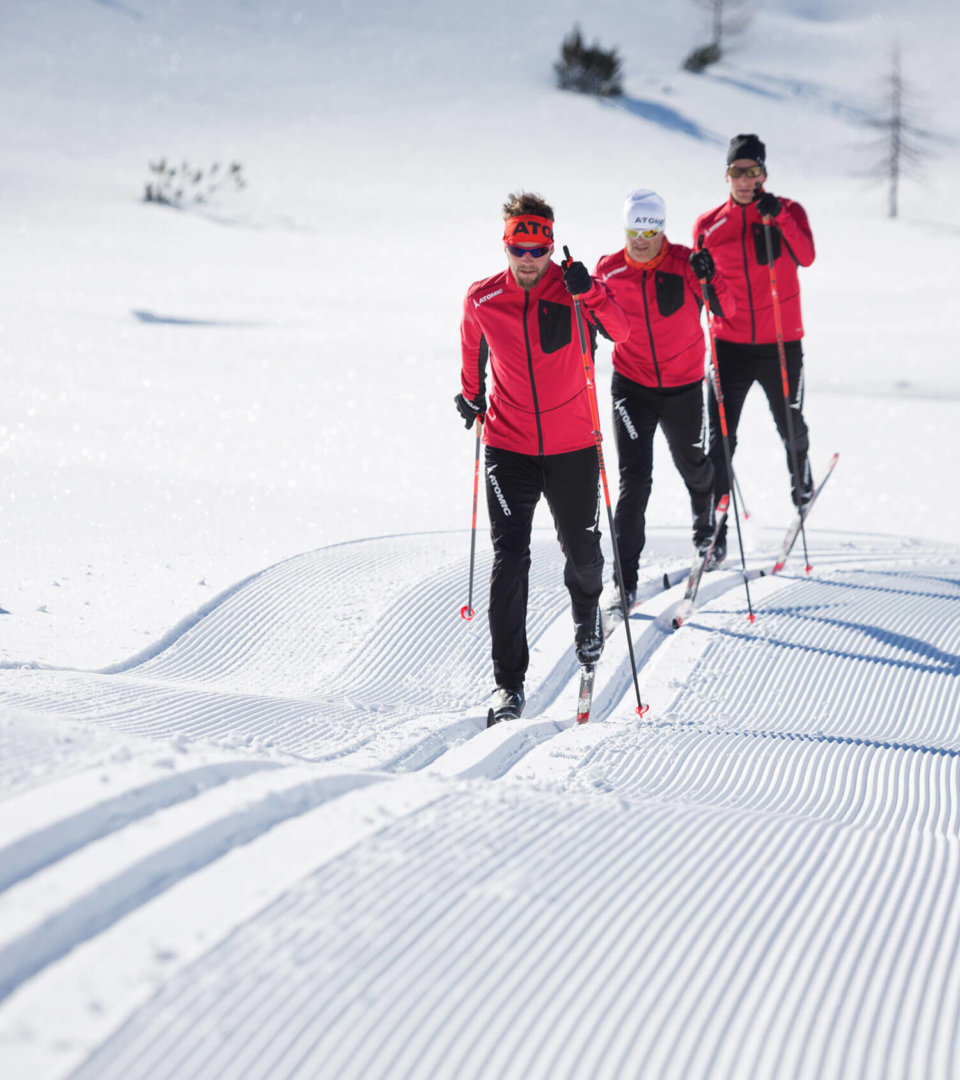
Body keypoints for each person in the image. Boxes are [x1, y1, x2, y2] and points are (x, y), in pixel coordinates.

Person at [455, 191, 629, 724]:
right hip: (508, 448)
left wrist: (595, 292)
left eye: (538, 247)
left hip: (574, 445)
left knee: (583, 551)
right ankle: (508, 684)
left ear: (551, 244)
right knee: (510, 560)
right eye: (519, 247)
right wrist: (470, 395)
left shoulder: (575, 291)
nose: (529, 258)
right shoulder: (482, 299)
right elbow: (471, 354)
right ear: (506, 244)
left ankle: (586, 614)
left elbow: (623, 333)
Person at [594, 188, 734, 609]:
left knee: (693, 464)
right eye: (635, 228)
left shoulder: (686, 263)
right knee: (634, 482)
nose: (641, 238)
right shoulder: (609, 269)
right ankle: (625, 580)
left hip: (685, 386)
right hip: (631, 387)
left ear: (662, 229)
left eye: (650, 229)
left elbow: (723, 307)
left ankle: (705, 523)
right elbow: (593, 315)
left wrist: (713, 277)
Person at [693, 133, 816, 565]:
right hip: (729, 345)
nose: (745, 180)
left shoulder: (788, 211)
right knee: (720, 440)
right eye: (736, 172)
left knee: (790, 424)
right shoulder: (708, 225)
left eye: (753, 171)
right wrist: (702, 277)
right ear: (726, 175)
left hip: (782, 342)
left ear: (764, 173)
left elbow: (806, 255)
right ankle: (716, 527)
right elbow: (705, 294)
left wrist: (778, 216)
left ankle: (801, 480)